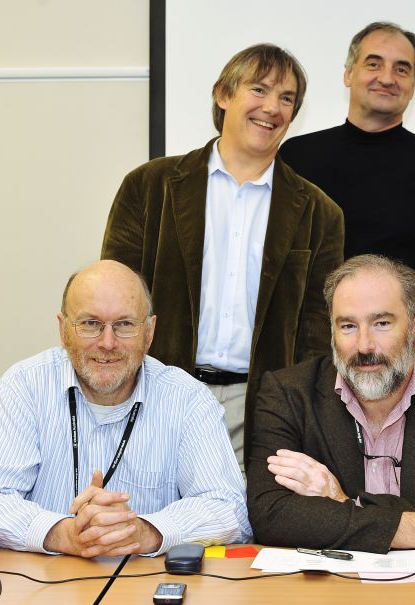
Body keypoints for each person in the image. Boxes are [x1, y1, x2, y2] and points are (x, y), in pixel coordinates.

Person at [101, 44, 344, 471]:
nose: (272, 108)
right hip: (157, 393)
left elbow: (315, 333)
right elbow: (114, 300)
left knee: (239, 531)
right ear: (223, 94)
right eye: (259, 89)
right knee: (144, 525)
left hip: (258, 408)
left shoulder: (320, 212)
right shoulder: (150, 185)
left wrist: (298, 418)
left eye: (286, 98)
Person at [0, 260, 251, 557]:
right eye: (90, 324)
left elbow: (229, 509)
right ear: (64, 330)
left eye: (125, 324)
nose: (107, 342)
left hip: (145, 587)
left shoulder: (188, 398)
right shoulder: (24, 386)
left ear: (149, 332)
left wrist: (143, 531)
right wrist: (62, 533)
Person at [246, 255, 415, 553]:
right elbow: (270, 513)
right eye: (347, 326)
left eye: (381, 323)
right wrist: (414, 529)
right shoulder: (288, 393)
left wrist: (342, 501)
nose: (364, 346)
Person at [279, 22, 415, 278]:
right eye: (374, 64)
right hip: (311, 318)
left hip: (409, 318)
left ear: (413, 86)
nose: (386, 78)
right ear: (348, 74)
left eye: (402, 69)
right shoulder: (296, 157)